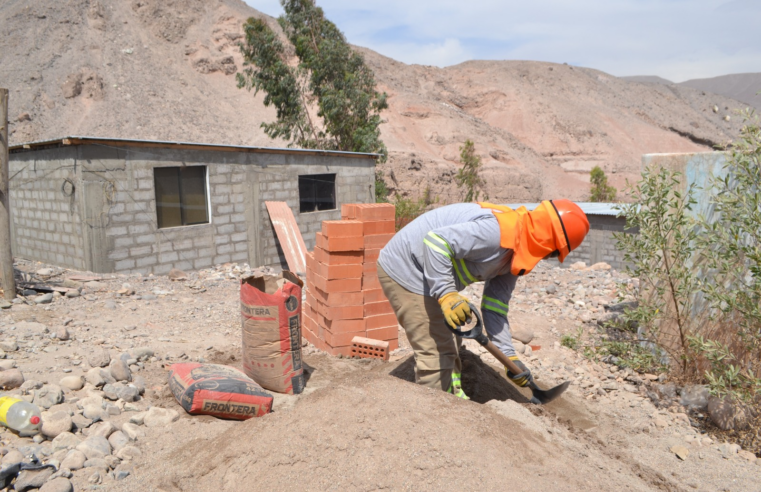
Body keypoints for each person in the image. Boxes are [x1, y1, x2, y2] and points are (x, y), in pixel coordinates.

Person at [377, 200, 590, 399]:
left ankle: (452, 399)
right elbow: (436, 242)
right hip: (407, 267)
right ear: (549, 241)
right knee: (435, 353)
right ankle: (431, 422)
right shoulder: (497, 233)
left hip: (429, 274)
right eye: (554, 253)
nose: (548, 258)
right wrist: (447, 294)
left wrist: (509, 356)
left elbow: (494, 307)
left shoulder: (519, 252)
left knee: (452, 341)